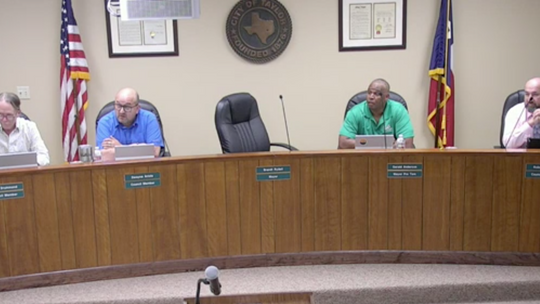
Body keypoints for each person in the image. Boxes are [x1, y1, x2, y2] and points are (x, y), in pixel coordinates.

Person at [338, 78, 415, 149]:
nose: (371, 97)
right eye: (369, 93)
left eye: (376, 94)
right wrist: (375, 145)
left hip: (391, 159)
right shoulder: (355, 112)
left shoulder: (398, 110)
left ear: (386, 97)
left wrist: (365, 144)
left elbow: (408, 143)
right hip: (362, 159)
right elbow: (343, 143)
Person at [96, 88, 163, 157]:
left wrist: (120, 147)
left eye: (127, 107)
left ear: (137, 109)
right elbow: (105, 155)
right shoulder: (105, 122)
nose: (121, 111)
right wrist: (141, 150)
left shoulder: (149, 119)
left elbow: (155, 152)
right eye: (118, 106)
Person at [0, 92, 50, 166]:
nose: (4, 120)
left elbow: (44, 157)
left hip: (26, 175)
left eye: (9, 115)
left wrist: (30, 164)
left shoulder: (29, 127)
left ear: (18, 113)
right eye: (0, 115)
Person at [502, 77, 540, 148]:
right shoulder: (515, 112)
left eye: (535, 94)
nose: (530, 98)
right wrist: (530, 123)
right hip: (522, 158)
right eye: (527, 94)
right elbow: (508, 144)